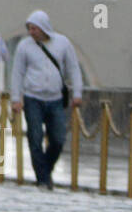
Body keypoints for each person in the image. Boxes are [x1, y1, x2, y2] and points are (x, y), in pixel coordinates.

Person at [10, 10, 83, 189]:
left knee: (58, 138)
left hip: (55, 99)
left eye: (35, 28)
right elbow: (17, 73)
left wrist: (77, 93)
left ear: (44, 28)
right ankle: (43, 179)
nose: (31, 32)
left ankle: (44, 170)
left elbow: (73, 68)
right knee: (35, 137)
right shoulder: (24, 46)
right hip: (32, 97)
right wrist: (15, 98)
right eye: (30, 28)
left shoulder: (62, 43)